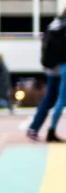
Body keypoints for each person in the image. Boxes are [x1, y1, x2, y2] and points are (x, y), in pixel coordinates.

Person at [27, 9, 66, 141]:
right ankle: (51, 130)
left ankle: (34, 128)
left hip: (51, 66)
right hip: (62, 65)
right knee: (60, 99)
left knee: (50, 98)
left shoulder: (56, 23)